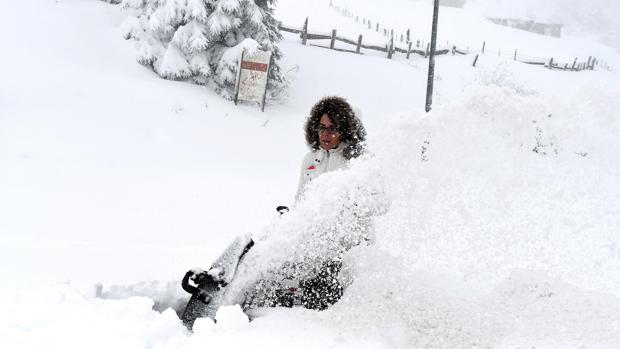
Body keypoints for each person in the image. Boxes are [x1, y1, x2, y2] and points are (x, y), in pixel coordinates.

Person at [181, 96, 368, 328]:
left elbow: (366, 210)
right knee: (267, 267)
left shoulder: (357, 163)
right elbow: (301, 202)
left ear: (346, 131)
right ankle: (225, 297)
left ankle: (262, 315)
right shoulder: (311, 160)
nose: (326, 134)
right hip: (307, 243)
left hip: (339, 253)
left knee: (313, 296)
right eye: (322, 127)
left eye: (333, 128)